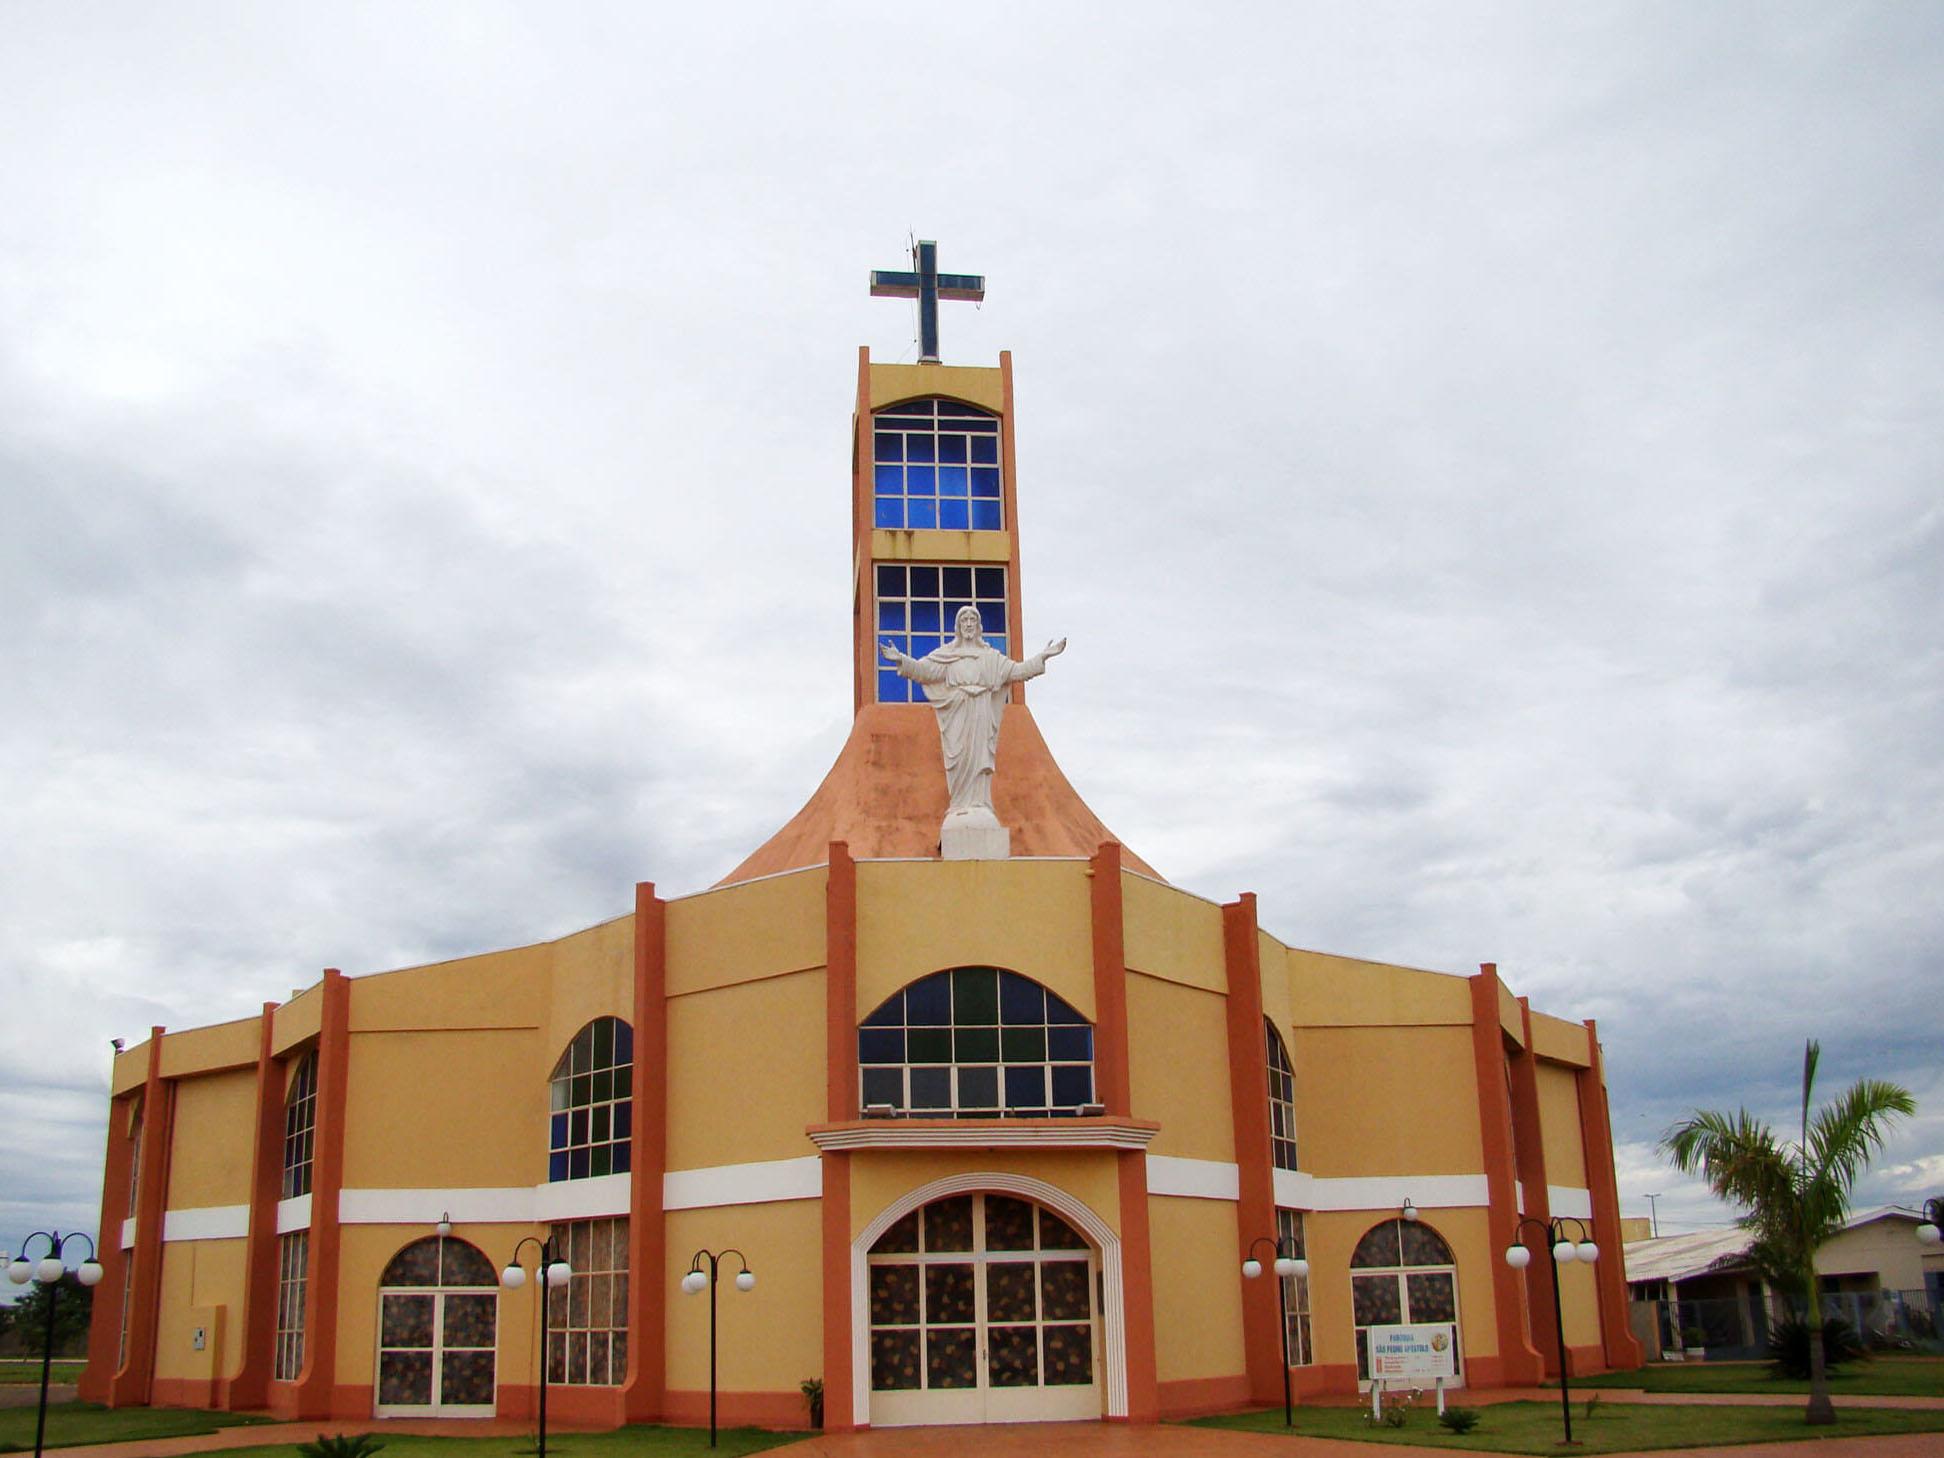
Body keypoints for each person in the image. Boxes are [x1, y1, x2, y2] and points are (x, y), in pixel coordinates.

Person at [881, 607, 1066, 816]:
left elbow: (1017, 671)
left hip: (981, 712)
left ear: (978, 627)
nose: (968, 624)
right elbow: (925, 671)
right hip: (958, 714)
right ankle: (960, 805)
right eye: (964, 620)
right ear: (958, 627)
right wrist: (901, 660)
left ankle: (979, 805)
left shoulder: (991, 658)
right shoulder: (948, 656)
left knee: (979, 759)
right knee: (959, 759)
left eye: (972, 620)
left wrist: (1042, 657)